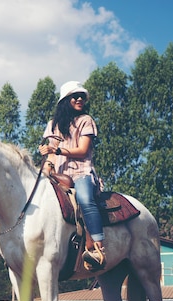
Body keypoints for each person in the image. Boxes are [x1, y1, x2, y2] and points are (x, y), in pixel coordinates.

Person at [38, 80, 106, 271]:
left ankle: (99, 246)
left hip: (81, 173)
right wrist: (47, 164)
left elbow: (83, 150)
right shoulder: (53, 125)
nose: (79, 99)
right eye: (75, 96)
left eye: (82, 96)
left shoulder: (86, 120)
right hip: (58, 175)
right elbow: (51, 152)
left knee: (85, 199)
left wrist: (58, 151)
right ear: (65, 100)